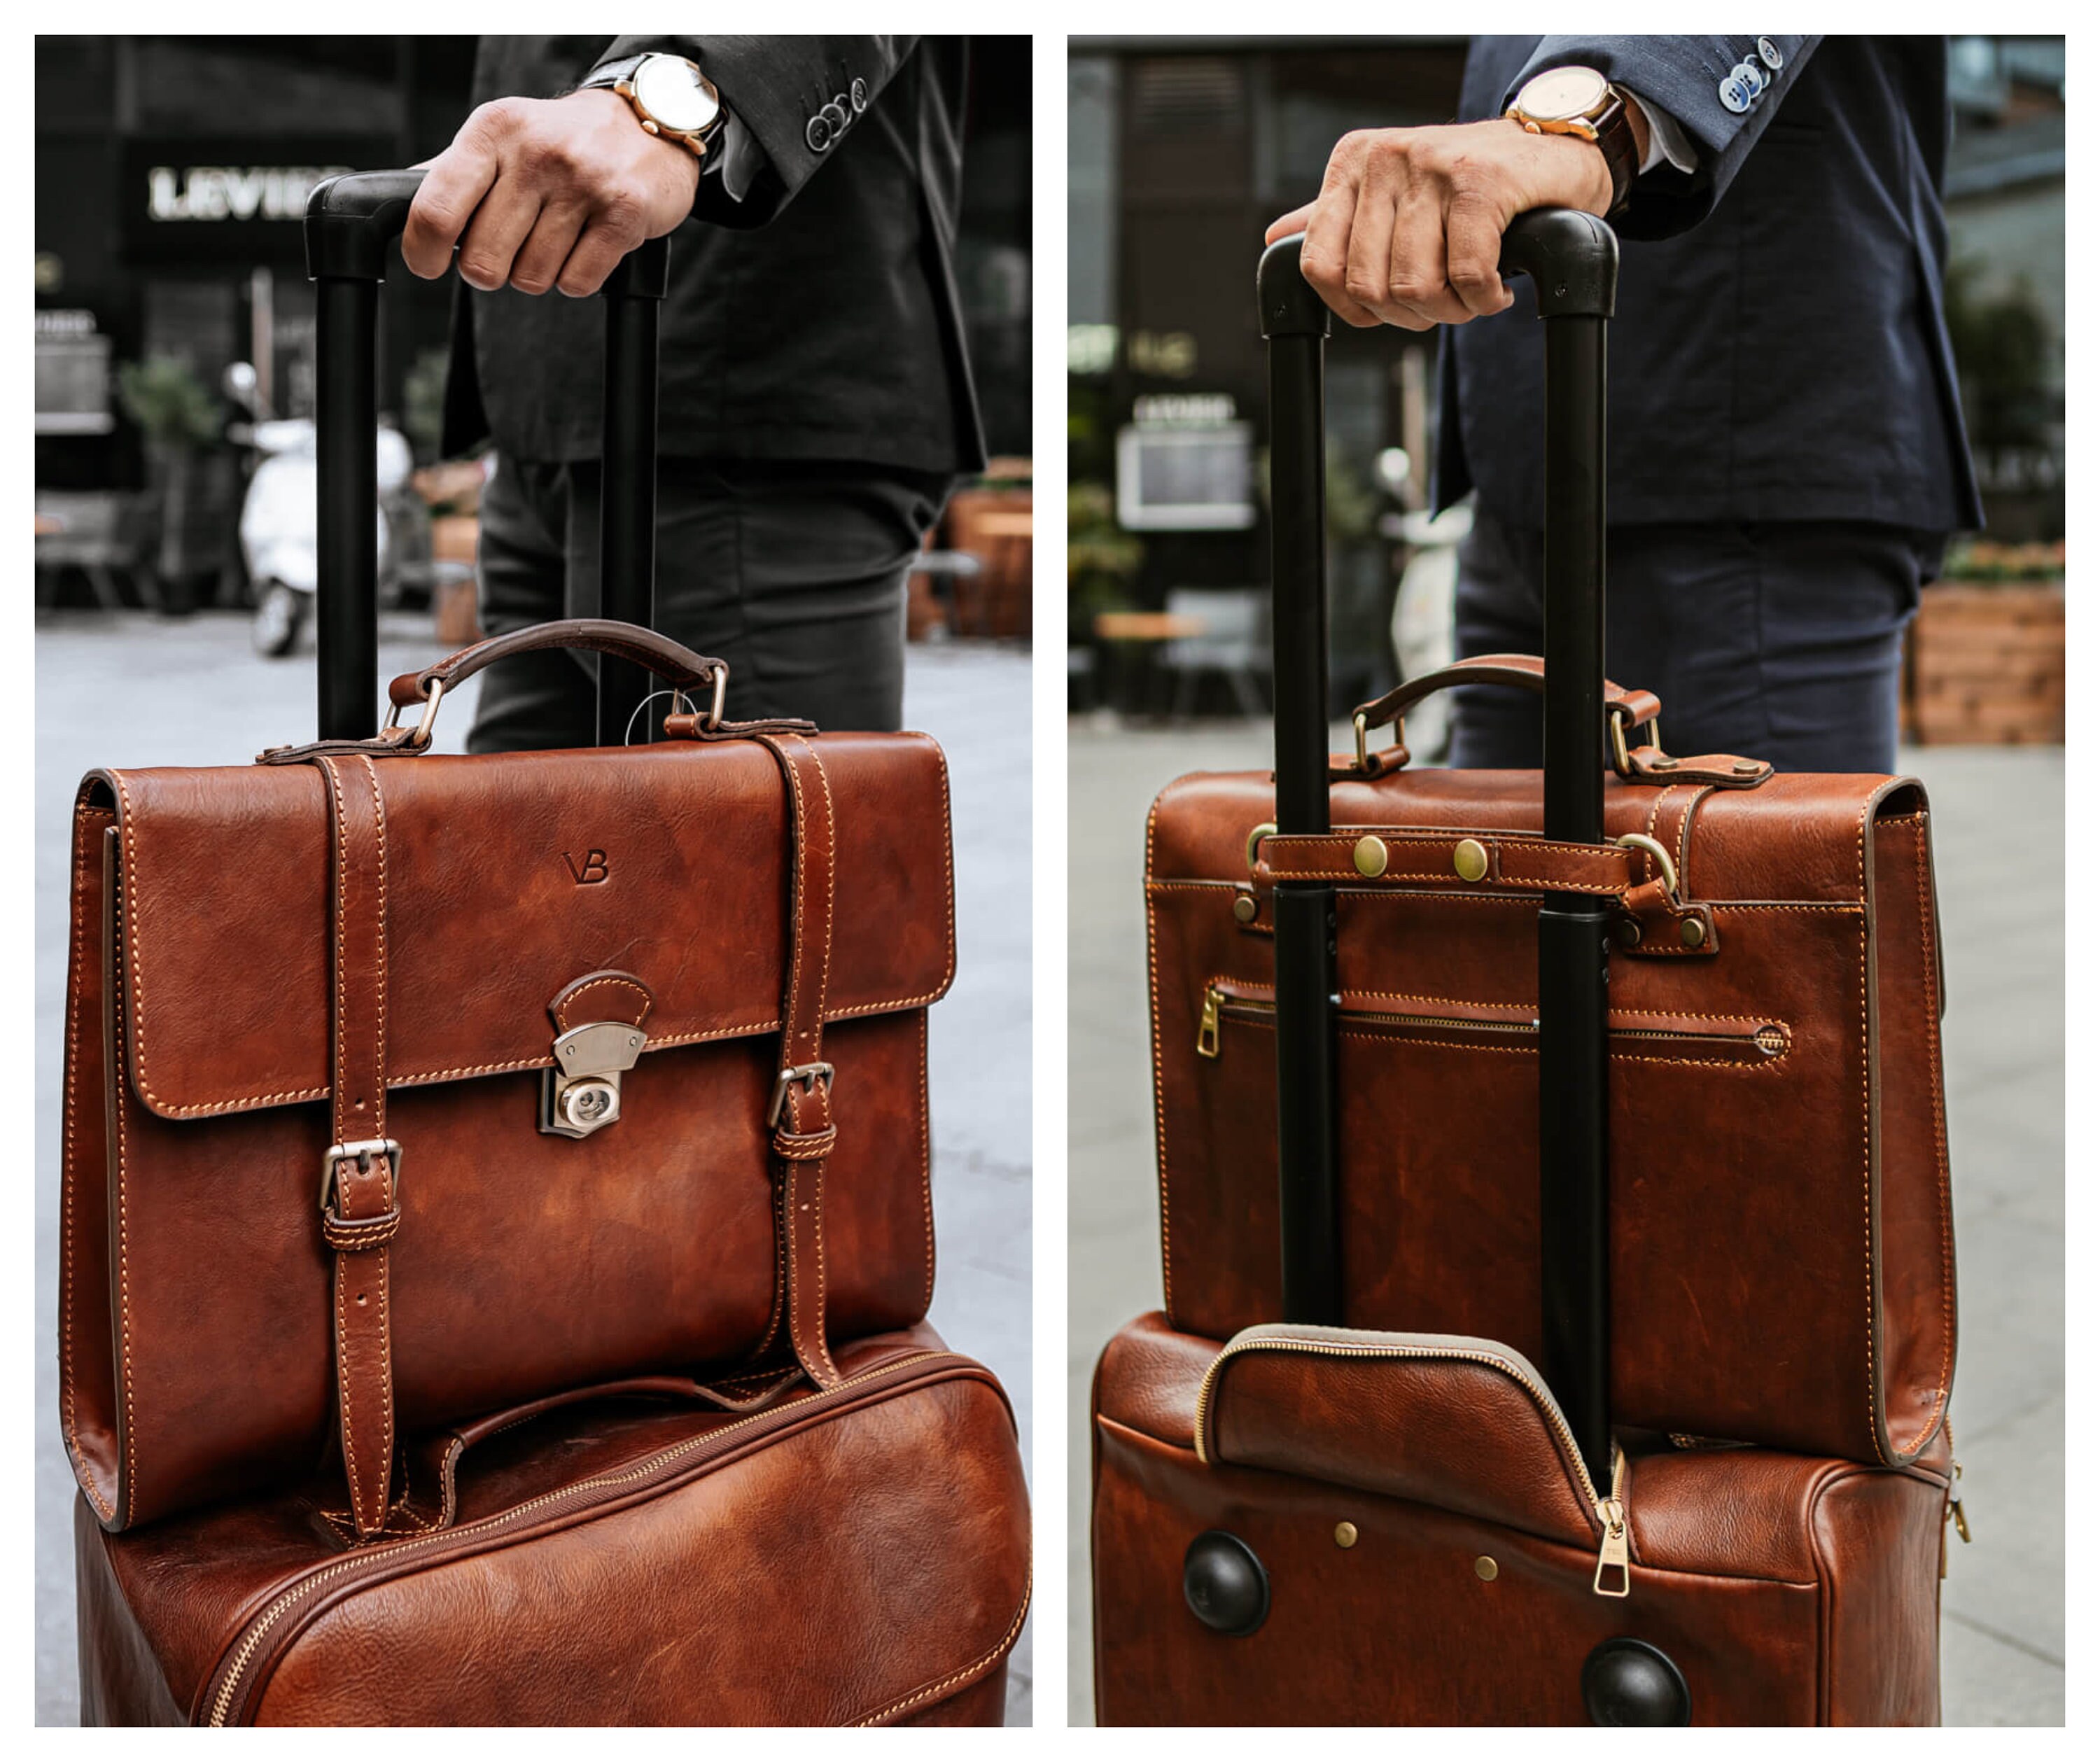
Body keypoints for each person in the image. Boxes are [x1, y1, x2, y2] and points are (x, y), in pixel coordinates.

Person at [1268, 35, 1981, 773]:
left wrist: (1580, 125)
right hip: (1514, 485)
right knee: (1495, 874)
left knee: (1752, 877)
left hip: (1739, 463)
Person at [404, 37, 982, 747]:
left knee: (778, 839)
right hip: (544, 409)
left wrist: (661, 98)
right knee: (523, 845)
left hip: (748, 390)